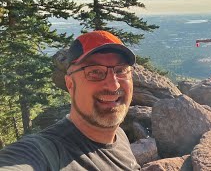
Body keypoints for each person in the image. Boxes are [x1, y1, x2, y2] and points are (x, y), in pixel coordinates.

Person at [0, 31, 141, 170]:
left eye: (121, 70)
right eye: (95, 72)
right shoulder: (46, 151)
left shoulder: (119, 136)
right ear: (70, 84)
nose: (113, 85)